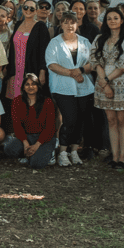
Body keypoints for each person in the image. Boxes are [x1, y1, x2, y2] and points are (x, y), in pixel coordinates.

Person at [46, 11, 95, 167]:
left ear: (77, 24)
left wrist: (80, 71)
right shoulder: (54, 43)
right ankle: (63, 152)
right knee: (70, 119)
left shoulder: (85, 41)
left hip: (84, 87)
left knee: (81, 120)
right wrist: (72, 73)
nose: (69, 25)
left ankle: (74, 151)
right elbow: (51, 64)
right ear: (61, 24)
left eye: (72, 22)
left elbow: (93, 62)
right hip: (62, 87)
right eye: (66, 22)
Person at [91, 7, 124, 169]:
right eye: (109, 18)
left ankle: (123, 158)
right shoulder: (99, 38)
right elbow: (95, 61)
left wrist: (106, 80)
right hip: (103, 85)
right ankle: (115, 156)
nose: (112, 21)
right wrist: (104, 83)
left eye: (116, 18)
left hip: (121, 83)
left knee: (122, 120)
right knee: (111, 120)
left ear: (122, 20)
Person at [5, 73, 57, 168]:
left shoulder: (47, 102)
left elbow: (50, 127)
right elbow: (17, 125)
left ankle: (50, 153)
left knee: (36, 164)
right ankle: (27, 153)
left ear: (38, 86)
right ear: (23, 87)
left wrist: (37, 144)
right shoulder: (17, 101)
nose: (30, 87)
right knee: (9, 149)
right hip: (27, 136)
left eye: (33, 84)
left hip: (44, 138)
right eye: (27, 84)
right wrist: (25, 143)